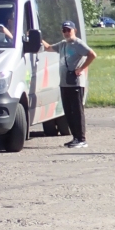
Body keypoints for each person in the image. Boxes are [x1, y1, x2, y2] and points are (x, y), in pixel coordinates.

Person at [42, 21, 96, 149]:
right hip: (65, 83)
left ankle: (82, 139)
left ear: (74, 30)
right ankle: (75, 138)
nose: (66, 33)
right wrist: (39, 39)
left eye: (68, 30)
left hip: (76, 83)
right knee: (68, 112)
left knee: (77, 112)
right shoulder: (63, 44)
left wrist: (81, 68)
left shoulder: (78, 44)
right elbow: (49, 48)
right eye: (64, 30)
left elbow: (92, 55)